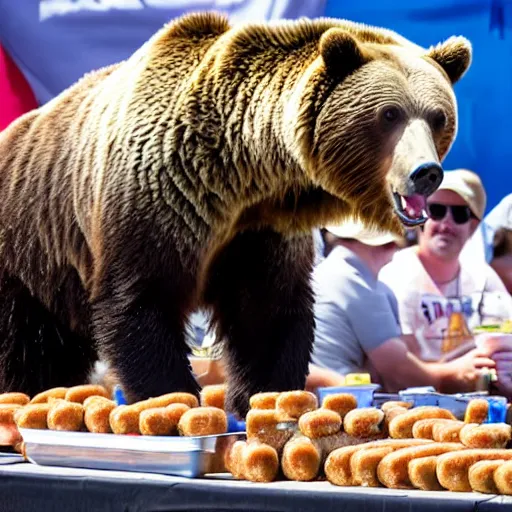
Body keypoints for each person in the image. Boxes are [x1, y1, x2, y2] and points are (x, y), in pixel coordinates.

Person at [311, 218, 499, 394]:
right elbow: (399, 372)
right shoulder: (356, 282)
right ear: (389, 244)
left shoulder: (325, 273)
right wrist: (454, 372)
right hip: (343, 405)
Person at [379, 169, 512, 363]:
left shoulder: (482, 276)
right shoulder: (395, 275)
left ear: (473, 226)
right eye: (437, 211)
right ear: (419, 218)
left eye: (459, 214)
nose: (446, 223)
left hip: (478, 389)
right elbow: (403, 362)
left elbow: (505, 333)